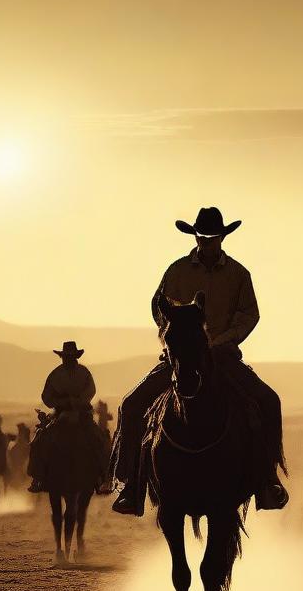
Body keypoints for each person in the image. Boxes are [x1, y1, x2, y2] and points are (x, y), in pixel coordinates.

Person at [110, 207, 288, 515]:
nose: (206, 242)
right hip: (181, 356)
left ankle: (267, 481)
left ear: (222, 238)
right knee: (131, 405)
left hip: (222, 356)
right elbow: (159, 306)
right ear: (195, 236)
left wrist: (220, 340)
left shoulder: (238, 274)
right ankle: (131, 485)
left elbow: (249, 314)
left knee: (269, 401)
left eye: (212, 238)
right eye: (202, 237)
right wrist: (178, 335)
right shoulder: (177, 271)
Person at [28, 342, 105, 493]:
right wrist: (62, 402)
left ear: (74, 357)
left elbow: (91, 391)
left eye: (70, 357)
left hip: (82, 413)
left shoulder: (84, 373)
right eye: (66, 357)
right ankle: (38, 477)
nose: (67, 359)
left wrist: (77, 401)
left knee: (99, 439)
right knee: (40, 439)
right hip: (60, 414)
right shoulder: (56, 374)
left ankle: (102, 477)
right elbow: (46, 397)